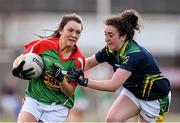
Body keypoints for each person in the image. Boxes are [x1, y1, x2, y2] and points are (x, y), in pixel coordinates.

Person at [67, 9, 171, 122]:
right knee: (112, 119)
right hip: (134, 93)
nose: (106, 39)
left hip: (155, 98)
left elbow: (113, 85)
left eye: (110, 35)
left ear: (123, 37)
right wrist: (65, 66)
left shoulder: (134, 54)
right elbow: (89, 62)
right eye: (105, 34)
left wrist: (83, 81)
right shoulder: (110, 50)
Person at [12, 13, 85, 122]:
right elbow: (22, 59)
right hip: (34, 100)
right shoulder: (43, 45)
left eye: (78, 32)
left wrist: (61, 80)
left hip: (57, 108)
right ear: (61, 30)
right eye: (70, 30)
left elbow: (69, 92)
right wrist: (16, 69)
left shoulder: (78, 60)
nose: (74, 35)